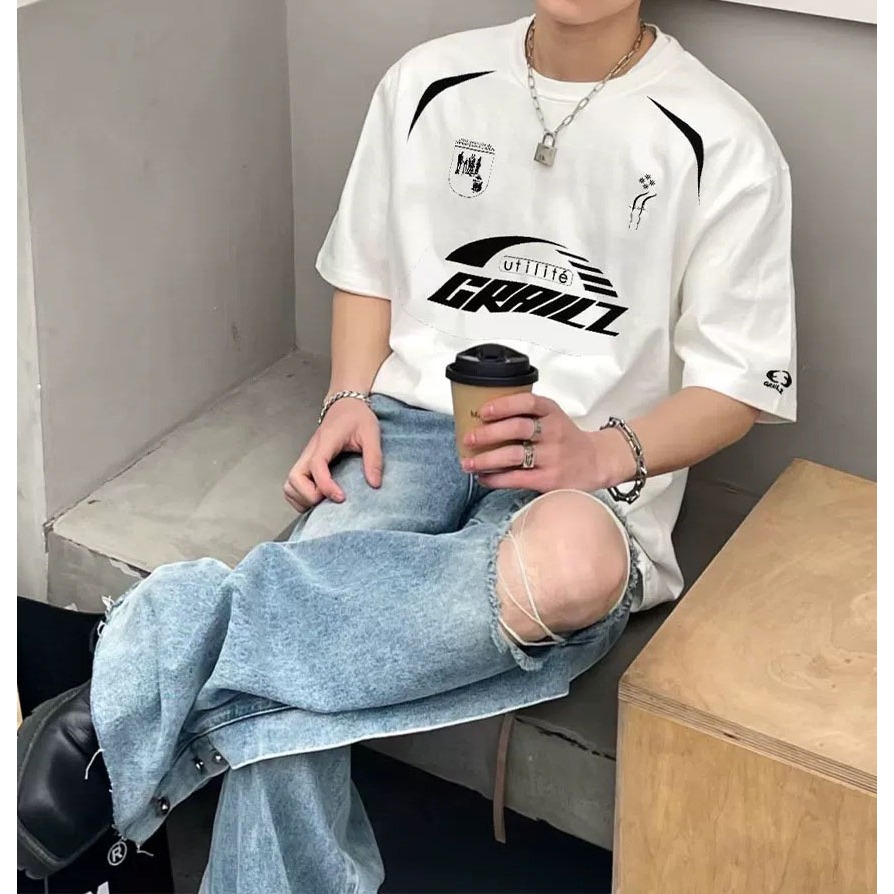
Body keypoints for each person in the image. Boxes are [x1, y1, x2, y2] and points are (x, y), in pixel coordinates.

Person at [17, 1, 796, 891]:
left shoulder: (721, 136)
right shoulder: (428, 81)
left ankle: (137, 663)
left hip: (586, 467)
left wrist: (598, 455)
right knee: (310, 657)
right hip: (409, 425)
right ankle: (158, 681)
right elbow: (367, 268)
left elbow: (740, 385)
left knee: (572, 568)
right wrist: (348, 397)